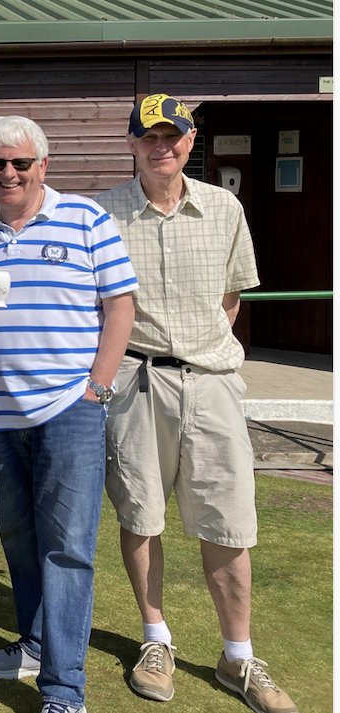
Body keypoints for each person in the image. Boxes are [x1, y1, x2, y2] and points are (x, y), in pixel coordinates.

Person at [96, 94, 298, 713]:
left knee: (229, 522)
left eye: (173, 135)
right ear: (130, 143)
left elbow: (230, 300)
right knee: (142, 516)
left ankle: (238, 656)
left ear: (190, 140)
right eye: (148, 136)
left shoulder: (224, 207)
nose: (162, 146)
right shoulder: (100, 214)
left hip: (211, 383)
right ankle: (156, 640)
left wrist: (202, 356)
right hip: (135, 383)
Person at [0, 116, 136, 713]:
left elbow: (121, 306)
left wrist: (97, 390)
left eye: (20, 163)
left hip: (69, 410)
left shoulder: (85, 218)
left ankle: (63, 689)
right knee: (21, 541)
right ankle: (32, 645)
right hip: (1, 416)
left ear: (42, 166)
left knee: (67, 547)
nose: (8, 174)